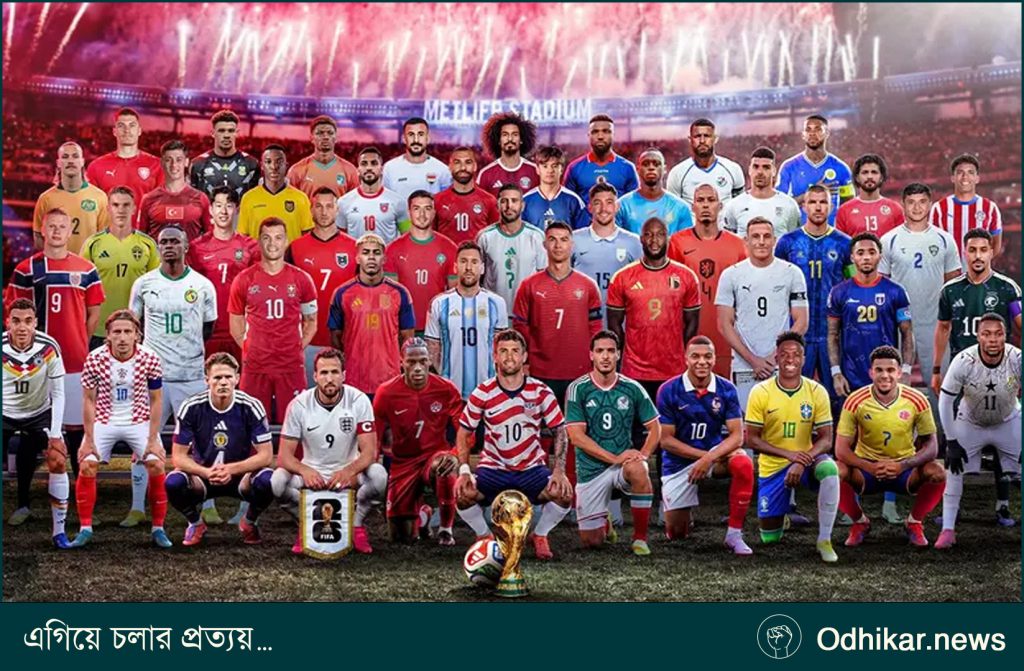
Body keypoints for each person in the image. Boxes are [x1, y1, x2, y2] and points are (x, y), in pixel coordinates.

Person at [454, 329, 573, 559]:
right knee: (463, 493)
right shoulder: (483, 392)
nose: (509, 356)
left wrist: (559, 470)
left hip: (531, 470)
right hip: (493, 470)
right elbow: (463, 432)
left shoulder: (540, 391)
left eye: (515, 351)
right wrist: (465, 471)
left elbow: (560, 430)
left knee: (563, 493)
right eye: (503, 351)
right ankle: (484, 536)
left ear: (524, 356)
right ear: (495, 357)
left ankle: (539, 535)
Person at [126, 226, 217, 527]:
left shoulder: (202, 285)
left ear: (186, 246)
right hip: (154, 378)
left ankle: (209, 504)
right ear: (157, 247)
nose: (168, 246)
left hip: (190, 376)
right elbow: (134, 324)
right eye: (163, 242)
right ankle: (137, 507)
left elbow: (208, 328)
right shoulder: (144, 284)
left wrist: (187, 352)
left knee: (201, 443)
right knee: (144, 440)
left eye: (174, 241)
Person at [931, 229, 1021, 525]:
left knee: (1002, 438)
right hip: (965, 377)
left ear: (992, 252)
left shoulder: (1007, 288)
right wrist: (936, 369)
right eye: (972, 250)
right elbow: (943, 329)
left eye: (983, 249)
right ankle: (952, 508)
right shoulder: (950, 290)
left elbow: (1020, 322)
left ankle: (1003, 506)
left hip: (1000, 373)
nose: (978, 255)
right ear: (964, 253)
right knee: (956, 441)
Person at [6, 208, 104, 477]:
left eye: (62, 226)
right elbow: (15, 314)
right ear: (43, 231)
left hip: (74, 362)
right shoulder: (26, 269)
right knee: (31, 432)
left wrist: (79, 340)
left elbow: (94, 313)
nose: (57, 231)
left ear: (70, 231)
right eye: (52, 226)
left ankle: (77, 491)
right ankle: (24, 497)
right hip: (35, 364)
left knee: (75, 432)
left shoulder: (86, 269)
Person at [271, 348, 387, 554]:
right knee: (278, 482)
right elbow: (284, 457)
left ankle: (356, 524)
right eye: (324, 373)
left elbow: (369, 452)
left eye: (335, 372)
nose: (330, 378)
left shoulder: (358, 400)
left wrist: (348, 471)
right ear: (315, 376)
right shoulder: (299, 405)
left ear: (344, 375)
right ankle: (306, 522)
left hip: (349, 471)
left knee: (379, 476)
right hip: (312, 472)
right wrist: (305, 470)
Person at [72, 310, 169, 549]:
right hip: (105, 420)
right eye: (117, 332)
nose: (122, 337)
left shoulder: (150, 358)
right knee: (87, 464)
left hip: (139, 420)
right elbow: (88, 400)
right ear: (108, 335)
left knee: (157, 463)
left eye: (128, 332)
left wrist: (153, 438)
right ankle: (85, 528)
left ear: (137, 335)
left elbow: (156, 399)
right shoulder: (95, 359)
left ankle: (158, 528)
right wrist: (88, 438)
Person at [835, 346, 945, 547]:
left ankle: (914, 522)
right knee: (834, 471)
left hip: (904, 471)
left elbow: (932, 447)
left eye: (890, 370)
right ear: (871, 372)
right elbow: (841, 450)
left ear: (899, 373)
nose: (885, 375)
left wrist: (903, 465)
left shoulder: (917, 400)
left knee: (938, 472)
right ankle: (859, 522)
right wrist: (869, 467)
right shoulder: (855, 400)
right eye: (879, 370)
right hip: (866, 471)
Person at [745, 331, 839, 563]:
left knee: (830, 469)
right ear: (776, 358)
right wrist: (789, 456)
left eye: (796, 354)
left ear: (804, 359)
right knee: (770, 539)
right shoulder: (760, 391)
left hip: (806, 461)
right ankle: (781, 513)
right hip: (773, 466)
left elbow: (826, 440)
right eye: (784, 354)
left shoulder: (816, 391)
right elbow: (752, 439)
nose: (790, 359)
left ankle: (824, 540)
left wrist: (800, 460)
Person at [656, 337, 753, 555]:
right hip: (680, 463)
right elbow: (666, 440)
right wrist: (703, 457)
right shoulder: (668, 390)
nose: (702, 361)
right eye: (695, 356)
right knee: (677, 534)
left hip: (714, 458)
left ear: (714, 359)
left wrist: (708, 458)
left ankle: (734, 535)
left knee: (743, 463)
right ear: (686, 359)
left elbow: (737, 436)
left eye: (707, 356)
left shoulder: (726, 388)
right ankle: (682, 511)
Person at [566, 330, 660, 555]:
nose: (605, 356)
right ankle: (604, 523)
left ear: (618, 354)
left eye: (610, 351)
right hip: (591, 470)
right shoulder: (578, 388)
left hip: (622, 466)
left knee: (639, 469)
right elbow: (576, 437)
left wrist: (643, 455)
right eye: (600, 351)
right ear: (591, 355)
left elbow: (656, 427)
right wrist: (614, 458)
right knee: (592, 542)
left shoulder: (632, 388)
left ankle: (640, 539)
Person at [167, 352, 275, 546]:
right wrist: (206, 472)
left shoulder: (251, 406)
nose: (223, 382)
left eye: (228, 377)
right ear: (207, 380)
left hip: (240, 476)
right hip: (203, 476)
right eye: (217, 377)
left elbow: (266, 456)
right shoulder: (191, 407)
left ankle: (249, 522)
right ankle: (195, 523)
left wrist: (230, 469)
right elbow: (178, 457)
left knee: (269, 480)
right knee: (173, 482)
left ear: (237, 379)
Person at [936, 314, 1021, 547]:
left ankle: (1004, 507)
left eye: (998, 334)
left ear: (1005, 336)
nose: (992, 339)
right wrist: (951, 441)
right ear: (978, 336)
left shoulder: (1017, 358)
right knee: (954, 468)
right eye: (986, 334)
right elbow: (945, 400)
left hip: (1008, 421)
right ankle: (948, 530)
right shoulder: (964, 360)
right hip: (970, 423)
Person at [374, 339, 464, 545]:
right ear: (401, 363)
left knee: (445, 466)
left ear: (429, 361)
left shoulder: (446, 389)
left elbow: (465, 431)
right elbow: (375, 436)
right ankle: (423, 514)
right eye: (411, 362)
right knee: (401, 538)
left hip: (434, 456)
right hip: (402, 463)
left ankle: (445, 529)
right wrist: (373, 465)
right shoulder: (386, 393)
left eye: (422, 361)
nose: (417, 368)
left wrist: (455, 455)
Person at [228, 218, 318, 424]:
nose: (272, 244)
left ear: (286, 241)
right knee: (252, 426)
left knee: (294, 425)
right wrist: (252, 349)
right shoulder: (244, 279)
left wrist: (295, 348)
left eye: (278, 238)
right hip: (255, 367)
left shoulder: (302, 279)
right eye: (266, 238)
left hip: (290, 367)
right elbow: (235, 325)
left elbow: (311, 321)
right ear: (259, 241)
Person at [879, 183, 962, 397]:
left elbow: (954, 285)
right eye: (911, 202)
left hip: (933, 323)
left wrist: (950, 321)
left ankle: (941, 420)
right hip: (899, 323)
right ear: (903, 205)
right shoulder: (889, 240)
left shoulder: (944, 239)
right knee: (895, 383)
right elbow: (881, 284)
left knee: (939, 383)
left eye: (922, 202)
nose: (917, 208)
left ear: (930, 204)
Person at [716, 217, 809, 408]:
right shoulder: (731, 274)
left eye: (766, 236)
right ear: (746, 241)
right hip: (743, 366)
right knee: (747, 419)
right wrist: (753, 360)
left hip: (780, 364)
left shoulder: (792, 273)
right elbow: (724, 324)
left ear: (774, 240)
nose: (761, 241)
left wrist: (775, 357)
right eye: (755, 236)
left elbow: (802, 321)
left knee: (782, 417)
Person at [607, 217, 702, 401]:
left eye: (660, 235)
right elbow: (614, 325)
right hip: (634, 371)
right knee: (636, 420)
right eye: (649, 235)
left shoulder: (686, 276)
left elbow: (692, 324)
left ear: (668, 238)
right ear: (641, 239)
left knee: (671, 419)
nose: (654, 240)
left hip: (674, 370)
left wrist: (681, 354)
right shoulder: (622, 277)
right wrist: (627, 354)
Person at [774, 184, 853, 398]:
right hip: (797, 333)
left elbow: (852, 285)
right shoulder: (787, 243)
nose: (818, 207)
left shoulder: (844, 244)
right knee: (795, 394)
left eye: (823, 202)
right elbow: (776, 286)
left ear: (831, 206)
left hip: (832, 334)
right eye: (812, 202)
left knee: (836, 396)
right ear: (804, 207)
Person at [513, 221, 602, 409]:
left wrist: (593, 363)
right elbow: (520, 328)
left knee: (576, 425)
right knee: (540, 425)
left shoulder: (587, 285)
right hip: (540, 372)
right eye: (552, 240)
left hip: (579, 371)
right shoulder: (529, 285)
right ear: (544, 244)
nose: (558, 245)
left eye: (564, 240)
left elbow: (595, 329)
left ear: (572, 245)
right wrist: (525, 362)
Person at [2, 300, 70, 547]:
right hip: (5, 412)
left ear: (36, 323)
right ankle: (21, 506)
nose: (22, 327)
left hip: (38, 412)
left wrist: (55, 435)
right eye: (16, 321)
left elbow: (59, 393)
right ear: (7, 323)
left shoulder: (49, 347)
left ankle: (59, 532)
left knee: (58, 459)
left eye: (28, 321)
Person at [668, 184, 747, 378]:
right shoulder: (677, 243)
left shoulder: (737, 245)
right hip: (689, 335)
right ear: (692, 207)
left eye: (711, 200)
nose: (705, 205)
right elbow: (671, 294)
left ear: (720, 206)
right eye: (700, 200)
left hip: (727, 338)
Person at [827, 233, 916, 400]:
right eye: (860, 253)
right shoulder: (839, 292)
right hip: (851, 376)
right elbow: (832, 335)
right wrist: (836, 373)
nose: (866, 257)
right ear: (852, 257)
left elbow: (907, 333)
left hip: (887, 377)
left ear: (880, 256)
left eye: (872, 252)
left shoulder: (895, 291)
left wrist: (905, 370)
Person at [285, 186, 358, 386]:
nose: (324, 212)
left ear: (337, 210)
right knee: (308, 395)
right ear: (311, 210)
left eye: (329, 206)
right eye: (318, 206)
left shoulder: (354, 247)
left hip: (345, 340)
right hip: (307, 341)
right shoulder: (296, 248)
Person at [329, 234, 416, 398]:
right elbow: (335, 337)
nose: (371, 257)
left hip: (389, 379)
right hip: (353, 380)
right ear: (357, 258)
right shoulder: (342, 293)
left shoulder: (400, 293)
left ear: (384, 259)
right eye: (365, 252)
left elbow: (407, 337)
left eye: (376, 253)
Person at [425, 241, 509, 399]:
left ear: (482, 268)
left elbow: (503, 349)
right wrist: (443, 381)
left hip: (489, 392)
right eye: (463, 261)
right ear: (455, 267)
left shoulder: (497, 303)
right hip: (450, 393)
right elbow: (432, 350)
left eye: (474, 262)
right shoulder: (439, 303)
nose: (469, 267)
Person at [80, 186, 159, 350]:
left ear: (134, 209)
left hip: (135, 329)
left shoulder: (148, 244)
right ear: (108, 208)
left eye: (126, 205)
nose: (121, 210)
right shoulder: (93, 244)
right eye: (116, 205)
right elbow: (81, 290)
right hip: (99, 330)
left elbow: (156, 289)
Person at [186, 187, 260, 364]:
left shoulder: (251, 246)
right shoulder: (196, 247)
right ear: (211, 210)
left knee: (241, 379)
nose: (224, 211)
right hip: (207, 332)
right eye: (219, 206)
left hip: (240, 331)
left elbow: (258, 292)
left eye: (229, 205)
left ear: (237, 210)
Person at [383, 190, 458, 332]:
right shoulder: (392, 249)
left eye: (427, 208)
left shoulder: (449, 248)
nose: (422, 214)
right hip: (404, 329)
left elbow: (455, 295)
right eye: (417, 209)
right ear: (409, 213)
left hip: (437, 329)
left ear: (434, 212)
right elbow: (390, 296)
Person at [571, 183, 643, 314]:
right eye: (597, 203)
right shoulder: (574, 240)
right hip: (582, 319)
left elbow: (642, 286)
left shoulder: (634, 242)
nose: (603, 209)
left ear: (617, 207)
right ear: (590, 207)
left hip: (621, 321)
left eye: (609, 202)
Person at [476, 183, 547, 311]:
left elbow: (544, 279)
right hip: (493, 311)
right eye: (504, 201)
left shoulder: (536, 236)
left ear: (522, 206)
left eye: (514, 201)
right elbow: (478, 277)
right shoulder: (485, 237)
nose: (509, 206)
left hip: (526, 312)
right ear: (498, 205)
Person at [32, 142, 110, 254]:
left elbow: (104, 238)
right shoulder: (45, 199)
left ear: (82, 162)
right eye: (65, 157)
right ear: (58, 163)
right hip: (57, 263)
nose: (70, 161)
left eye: (75, 156)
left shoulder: (100, 197)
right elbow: (38, 237)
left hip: (87, 264)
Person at [776, 114, 854, 225]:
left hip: (831, 233)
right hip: (799, 233)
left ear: (827, 133)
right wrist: (812, 193)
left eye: (818, 129)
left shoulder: (841, 168)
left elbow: (849, 206)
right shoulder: (789, 167)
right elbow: (779, 207)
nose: (812, 133)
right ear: (803, 135)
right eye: (808, 130)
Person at [85, 107, 161, 211]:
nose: (127, 130)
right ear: (114, 131)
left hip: (143, 222)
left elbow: (161, 206)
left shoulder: (157, 165)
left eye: (132, 125)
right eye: (121, 126)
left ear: (139, 131)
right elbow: (90, 208)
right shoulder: (96, 167)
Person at [929, 153, 1003, 259]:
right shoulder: (939, 208)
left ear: (977, 178)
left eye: (970, 172)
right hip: (948, 269)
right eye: (960, 172)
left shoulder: (990, 208)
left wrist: (981, 263)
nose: (965, 177)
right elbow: (932, 243)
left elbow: (996, 244)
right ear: (953, 178)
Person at [237, 145, 313, 243]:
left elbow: (307, 237)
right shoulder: (248, 198)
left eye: (279, 162)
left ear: (286, 165)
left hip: (291, 253)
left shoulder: (301, 198)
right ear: (262, 166)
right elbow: (243, 237)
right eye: (268, 162)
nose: (274, 167)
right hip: (258, 253)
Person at [138, 140, 212, 241]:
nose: (174, 165)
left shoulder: (201, 198)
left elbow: (209, 238)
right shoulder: (148, 199)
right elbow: (141, 240)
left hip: (192, 252)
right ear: (162, 163)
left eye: (179, 160)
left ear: (186, 162)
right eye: (168, 160)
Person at [721, 146, 801, 237]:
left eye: (766, 167)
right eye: (756, 167)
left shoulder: (789, 205)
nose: (760, 172)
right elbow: (729, 240)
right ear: (750, 170)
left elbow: (793, 240)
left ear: (774, 171)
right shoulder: (734, 205)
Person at [337, 146, 410, 244]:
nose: (369, 168)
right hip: (356, 254)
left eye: (374, 163)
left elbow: (407, 235)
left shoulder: (398, 202)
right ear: (358, 170)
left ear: (381, 169)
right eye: (364, 164)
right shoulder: (343, 202)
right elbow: (340, 239)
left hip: (387, 254)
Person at [563, 114, 639, 206]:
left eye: (606, 131)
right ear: (589, 135)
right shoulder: (574, 168)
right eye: (595, 132)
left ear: (613, 135)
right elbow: (567, 205)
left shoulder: (628, 168)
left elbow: (634, 205)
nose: (600, 136)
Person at [666, 118, 745, 205]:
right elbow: (672, 209)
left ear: (715, 139)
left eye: (707, 136)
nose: (702, 141)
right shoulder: (677, 173)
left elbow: (739, 207)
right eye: (697, 136)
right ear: (690, 139)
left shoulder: (733, 169)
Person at [617, 148, 694, 235]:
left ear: (664, 169)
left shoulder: (681, 207)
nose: (651, 167)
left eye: (656, 164)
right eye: (646, 164)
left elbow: (686, 241)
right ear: (637, 169)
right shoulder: (622, 206)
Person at [189, 110, 261, 200]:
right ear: (212, 133)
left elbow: (256, 200)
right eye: (221, 131)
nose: (226, 135)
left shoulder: (252, 164)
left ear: (237, 133)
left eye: (231, 131)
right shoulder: (197, 164)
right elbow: (193, 201)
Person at [434, 147, 499, 244]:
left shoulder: (489, 200)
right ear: (450, 167)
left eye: (468, 162)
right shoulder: (437, 200)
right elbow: (432, 236)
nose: (463, 168)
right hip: (446, 254)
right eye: (457, 162)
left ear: (475, 166)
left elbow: (495, 237)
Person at [286, 115, 359, 199]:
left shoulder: (350, 171)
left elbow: (355, 203)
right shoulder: (296, 171)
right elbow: (289, 202)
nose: (325, 137)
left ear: (336, 138)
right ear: (311, 138)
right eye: (320, 133)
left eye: (330, 133)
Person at [382, 117, 452, 201]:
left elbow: (446, 202)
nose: (416, 140)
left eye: (421, 134)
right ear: (404, 139)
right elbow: (384, 201)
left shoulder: (442, 170)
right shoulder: (390, 168)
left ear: (427, 138)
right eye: (411, 134)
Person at [835, 154, 904, 237]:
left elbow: (901, 240)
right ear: (857, 178)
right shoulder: (844, 210)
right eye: (865, 172)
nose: (869, 176)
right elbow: (840, 242)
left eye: (874, 172)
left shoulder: (895, 209)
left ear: (881, 177)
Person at [522, 145, 589, 230]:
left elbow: (583, 232)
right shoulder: (525, 200)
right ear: (537, 169)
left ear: (562, 169)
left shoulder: (574, 200)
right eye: (545, 166)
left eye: (554, 166)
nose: (550, 170)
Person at [477, 112, 539, 196]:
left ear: (521, 140)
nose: (510, 139)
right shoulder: (485, 174)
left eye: (515, 134)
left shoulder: (535, 171)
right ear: (498, 140)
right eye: (505, 135)